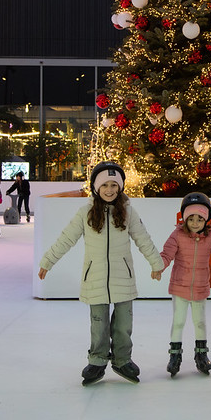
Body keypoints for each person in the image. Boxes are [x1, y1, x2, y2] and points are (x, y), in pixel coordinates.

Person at [38, 161, 163, 386]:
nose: (109, 189)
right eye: (105, 184)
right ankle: (97, 361)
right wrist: (48, 261)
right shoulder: (85, 213)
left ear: (120, 187)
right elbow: (66, 239)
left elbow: (143, 239)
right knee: (99, 325)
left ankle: (122, 359)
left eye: (114, 185)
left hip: (122, 277)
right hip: (94, 277)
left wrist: (156, 264)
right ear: (96, 187)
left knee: (124, 324)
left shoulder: (128, 212)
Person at [158, 192, 211, 377]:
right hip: (180, 286)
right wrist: (159, 267)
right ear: (184, 219)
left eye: (200, 219)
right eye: (191, 219)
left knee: (200, 322)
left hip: (200, 287)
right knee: (179, 321)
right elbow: (167, 254)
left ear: (206, 219)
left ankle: (201, 354)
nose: (195, 223)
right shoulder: (177, 235)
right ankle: (174, 355)